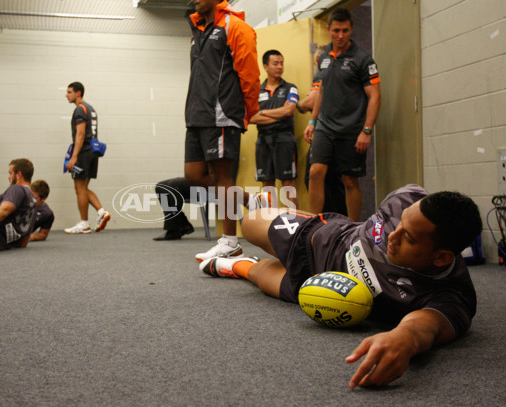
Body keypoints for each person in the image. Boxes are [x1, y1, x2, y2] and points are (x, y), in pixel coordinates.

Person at [199, 184, 482, 388]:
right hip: (319, 238)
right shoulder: (407, 197)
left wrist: (404, 339)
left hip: (321, 289)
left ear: (442, 256)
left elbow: (423, 327)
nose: (392, 237)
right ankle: (291, 214)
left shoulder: (452, 297)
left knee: (259, 274)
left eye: (408, 238)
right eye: (399, 225)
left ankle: (237, 265)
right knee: (249, 224)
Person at [184, 0, 260, 261]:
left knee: (222, 176)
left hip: (221, 115)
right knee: (193, 175)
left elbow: (249, 75)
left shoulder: (236, 27)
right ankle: (249, 199)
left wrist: (247, 113)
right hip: (196, 116)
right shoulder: (198, 31)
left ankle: (230, 242)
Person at [303, 8, 381, 221]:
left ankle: (352, 228)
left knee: (349, 180)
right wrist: (312, 121)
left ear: (351, 29)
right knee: (315, 173)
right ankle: (314, 225)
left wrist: (366, 130)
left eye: (345, 30)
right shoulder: (324, 56)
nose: (340, 35)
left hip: (351, 130)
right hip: (325, 128)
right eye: (336, 30)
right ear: (328, 29)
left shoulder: (363, 59)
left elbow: (375, 97)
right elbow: (321, 91)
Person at [249, 50, 300, 209]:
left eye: (281, 63)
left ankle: (294, 223)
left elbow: (288, 110)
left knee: (288, 183)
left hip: (284, 139)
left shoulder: (291, 88)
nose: (280, 67)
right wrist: (278, 115)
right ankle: (269, 224)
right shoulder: (256, 90)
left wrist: (262, 112)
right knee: (267, 184)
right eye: (275, 63)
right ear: (265, 66)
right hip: (263, 141)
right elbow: (250, 118)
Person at [64, 81, 110, 234]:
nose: (66, 95)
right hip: (92, 152)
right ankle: (101, 212)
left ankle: (84, 223)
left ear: (78, 93)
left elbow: (81, 133)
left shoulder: (79, 110)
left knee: (79, 188)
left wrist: (74, 156)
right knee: (83, 188)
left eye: (70, 92)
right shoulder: (90, 109)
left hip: (83, 153)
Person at [298, 81, 347, 215]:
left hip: (333, 131)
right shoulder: (323, 72)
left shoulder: (325, 72)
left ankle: (339, 223)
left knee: (333, 181)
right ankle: (319, 221)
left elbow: (308, 103)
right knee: (316, 177)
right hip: (323, 131)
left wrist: (299, 103)